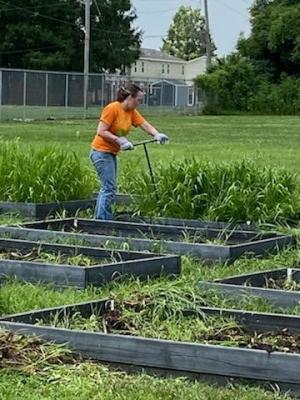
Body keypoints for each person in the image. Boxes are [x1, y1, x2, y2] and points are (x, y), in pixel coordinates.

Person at [90, 82, 169, 220]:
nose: (140, 103)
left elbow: (144, 124)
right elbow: (101, 131)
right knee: (109, 188)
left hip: (111, 153)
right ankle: (102, 222)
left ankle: (101, 218)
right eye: (138, 100)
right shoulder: (112, 108)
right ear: (130, 97)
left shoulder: (131, 112)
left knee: (109, 188)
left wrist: (156, 134)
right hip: (101, 152)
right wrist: (119, 140)